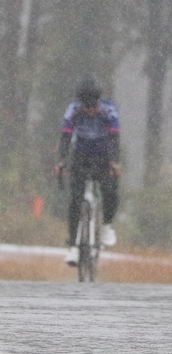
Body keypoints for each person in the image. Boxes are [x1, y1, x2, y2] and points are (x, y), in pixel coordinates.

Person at [52, 76, 121, 266]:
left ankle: (107, 225)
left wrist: (115, 162)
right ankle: (73, 246)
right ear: (80, 103)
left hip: (103, 156)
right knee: (75, 198)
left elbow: (115, 138)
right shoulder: (73, 110)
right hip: (80, 156)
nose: (90, 110)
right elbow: (65, 138)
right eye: (86, 106)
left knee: (109, 190)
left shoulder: (109, 109)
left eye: (93, 106)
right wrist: (61, 162)